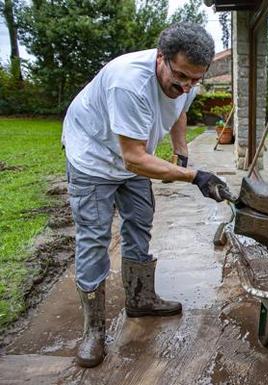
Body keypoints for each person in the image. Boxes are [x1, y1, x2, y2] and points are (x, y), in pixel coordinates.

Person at [62, 23, 232, 368]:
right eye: (181, 76)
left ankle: (141, 298)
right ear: (161, 58)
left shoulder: (187, 79)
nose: (185, 86)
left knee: (139, 222)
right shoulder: (129, 83)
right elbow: (134, 158)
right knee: (95, 238)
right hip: (93, 158)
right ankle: (93, 330)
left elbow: (179, 110)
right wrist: (194, 175)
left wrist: (181, 152)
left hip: (132, 159)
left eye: (194, 80)